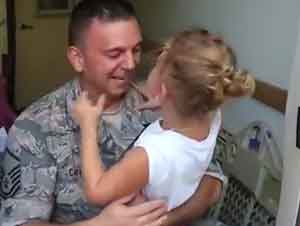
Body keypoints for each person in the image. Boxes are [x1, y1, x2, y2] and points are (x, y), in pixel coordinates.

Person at [1, 1, 225, 225]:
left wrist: (162, 220)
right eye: (115, 53)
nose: (130, 64)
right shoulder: (35, 127)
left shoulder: (166, 103)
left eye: (136, 50)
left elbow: (211, 180)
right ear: (78, 58)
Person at [72, 29, 255, 210]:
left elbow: (97, 192)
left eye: (156, 66)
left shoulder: (152, 154)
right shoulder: (212, 113)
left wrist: (88, 124)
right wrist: (165, 104)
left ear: (164, 89)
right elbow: (192, 106)